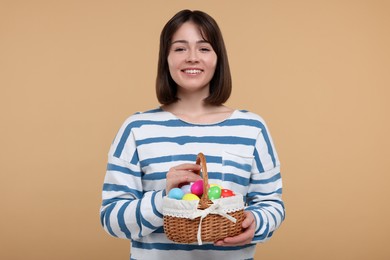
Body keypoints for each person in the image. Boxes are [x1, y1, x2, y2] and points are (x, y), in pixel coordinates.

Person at [100, 9, 284, 260]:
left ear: (218, 58)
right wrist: (164, 199)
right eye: (180, 48)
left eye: (204, 48)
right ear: (166, 58)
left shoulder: (251, 128)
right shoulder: (137, 128)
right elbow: (112, 219)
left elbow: (271, 204)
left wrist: (255, 222)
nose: (192, 58)